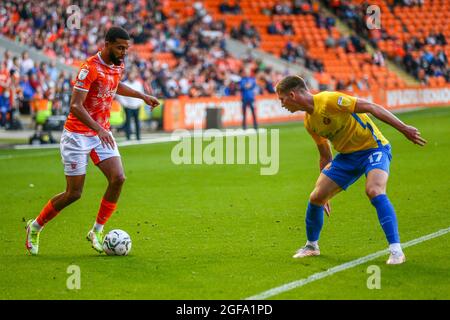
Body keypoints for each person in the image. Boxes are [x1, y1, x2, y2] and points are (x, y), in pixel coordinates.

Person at [25, 27, 160, 255]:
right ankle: (35, 226)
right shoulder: (89, 68)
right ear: (106, 44)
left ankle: (97, 230)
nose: (123, 52)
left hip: (100, 134)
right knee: (74, 194)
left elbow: (115, 85)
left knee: (118, 178)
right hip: (78, 135)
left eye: (126, 48)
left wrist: (141, 96)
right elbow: (75, 106)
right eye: (119, 47)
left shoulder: (117, 64)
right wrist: (99, 129)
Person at [275, 75, 427, 265]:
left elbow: (371, 107)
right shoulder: (309, 123)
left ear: (292, 94)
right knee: (316, 197)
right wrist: (325, 191)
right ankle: (311, 246)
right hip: (347, 158)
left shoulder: (330, 100)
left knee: (374, 190)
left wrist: (404, 128)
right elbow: (325, 156)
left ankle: (396, 251)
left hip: (374, 148)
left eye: (282, 99)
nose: (281, 104)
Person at [116, 69, 145, 140]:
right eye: (130, 75)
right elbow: (120, 96)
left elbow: (142, 94)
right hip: (128, 106)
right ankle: (128, 137)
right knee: (128, 122)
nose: (131, 76)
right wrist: (125, 104)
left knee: (137, 121)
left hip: (136, 106)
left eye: (132, 75)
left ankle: (138, 136)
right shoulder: (125, 84)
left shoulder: (138, 84)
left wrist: (139, 103)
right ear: (128, 76)